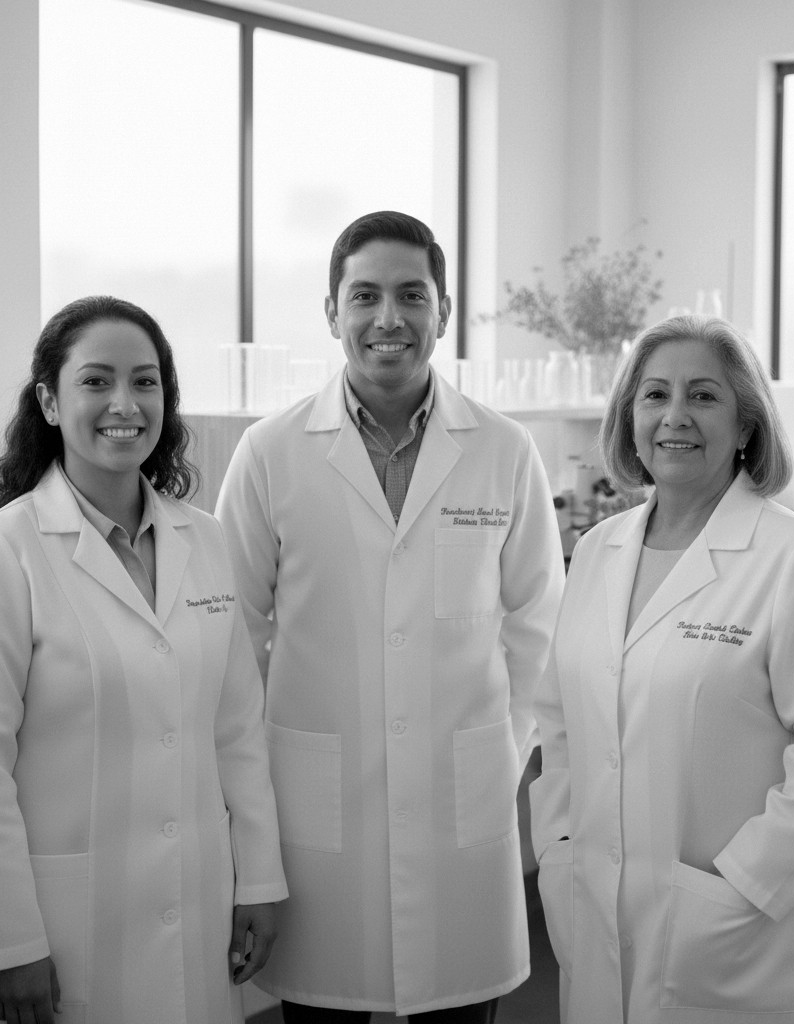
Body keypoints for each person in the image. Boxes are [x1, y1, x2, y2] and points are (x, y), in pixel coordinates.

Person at [215, 211, 565, 1022]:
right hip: (317, 802)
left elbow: (536, 626)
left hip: (461, 802)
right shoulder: (271, 453)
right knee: (321, 1006)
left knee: (459, 1006)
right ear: (331, 312)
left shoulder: (504, 450)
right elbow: (236, 638)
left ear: (442, 312)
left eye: (413, 295)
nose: (389, 318)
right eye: (364, 295)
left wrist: (498, 753)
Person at [528, 314, 794, 1023]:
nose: (675, 418)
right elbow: (561, 723)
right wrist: (559, 849)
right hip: (597, 905)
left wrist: (744, 885)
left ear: (747, 425)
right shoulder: (598, 551)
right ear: (630, 417)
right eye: (654, 395)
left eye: (703, 396)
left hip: (738, 924)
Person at [0, 295, 287, 1024]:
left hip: (194, 907)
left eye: (145, 381)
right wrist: (9, 942)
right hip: (63, 928)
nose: (124, 403)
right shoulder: (3, 554)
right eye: (96, 381)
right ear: (50, 402)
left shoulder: (206, 541)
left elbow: (237, 733)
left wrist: (258, 877)